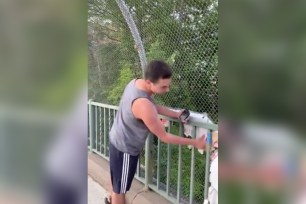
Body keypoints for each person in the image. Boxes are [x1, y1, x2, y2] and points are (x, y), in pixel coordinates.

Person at [106, 60, 206, 204]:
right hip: (125, 149)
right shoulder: (143, 104)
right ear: (149, 82)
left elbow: (154, 107)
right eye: (163, 86)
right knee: (119, 191)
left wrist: (175, 114)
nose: (167, 90)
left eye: (168, 85)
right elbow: (164, 136)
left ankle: (111, 199)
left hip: (116, 138)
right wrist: (195, 142)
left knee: (117, 181)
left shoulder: (136, 83)